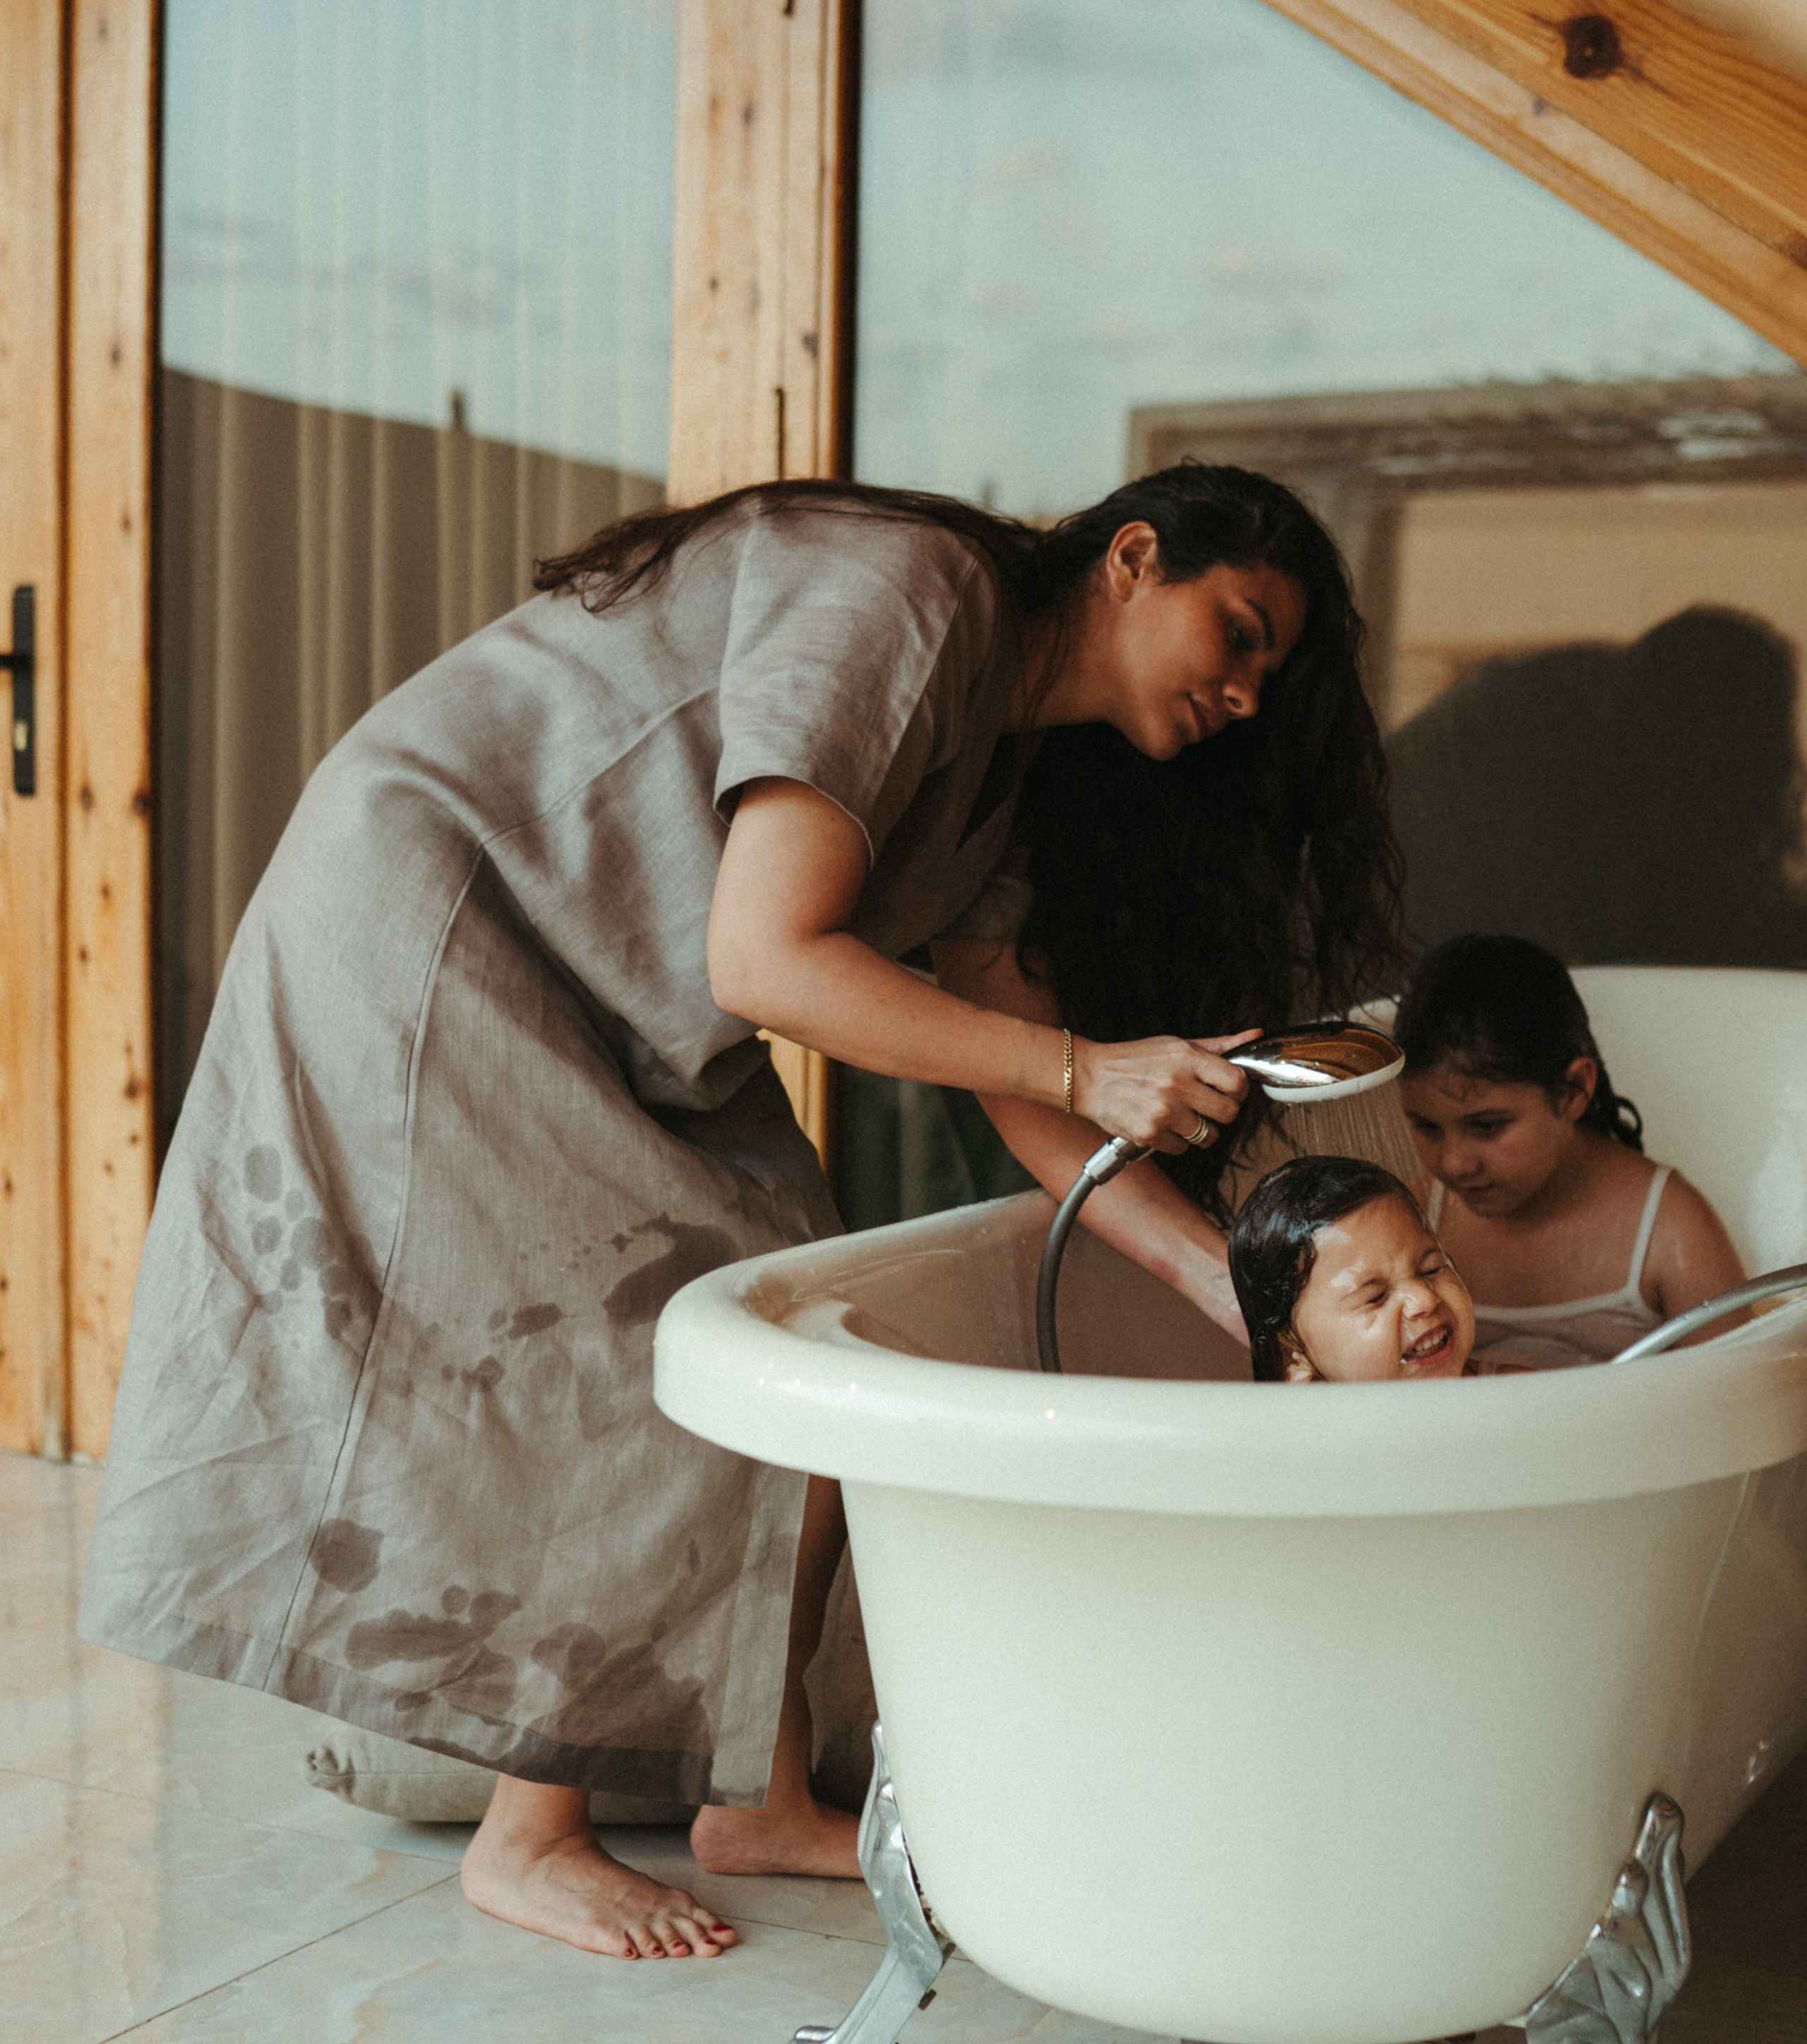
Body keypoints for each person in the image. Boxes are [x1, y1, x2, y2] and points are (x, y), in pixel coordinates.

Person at [80, 461, 1400, 1964]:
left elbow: (1009, 1065)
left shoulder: (1009, 774)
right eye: (1234, 633)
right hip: (447, 908)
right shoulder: (912, 591)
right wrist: (1092, 1067)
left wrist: (1223, 1279)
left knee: (790, 1311)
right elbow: (767, 961)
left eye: (1266, 675)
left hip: (619, 995)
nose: (1241, 692)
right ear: (1131, 558)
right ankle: (530, 1837)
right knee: (657, 1335)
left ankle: (755, 1797)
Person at [1395, 936, 1744, 1370]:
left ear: (1573, 1091)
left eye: (1488, 1127)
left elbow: (1742, 1392)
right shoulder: (1418, 1223)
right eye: (1427, 1127)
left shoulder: (1668, 1228)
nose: (1454, 1163)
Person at [1228, 1155, 1479, 1381]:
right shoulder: (1310, 1432)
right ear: (1293, 1355)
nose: (1425, 1298)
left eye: (1432, 1269)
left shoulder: (1510, 1393)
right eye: (1375, 1297)